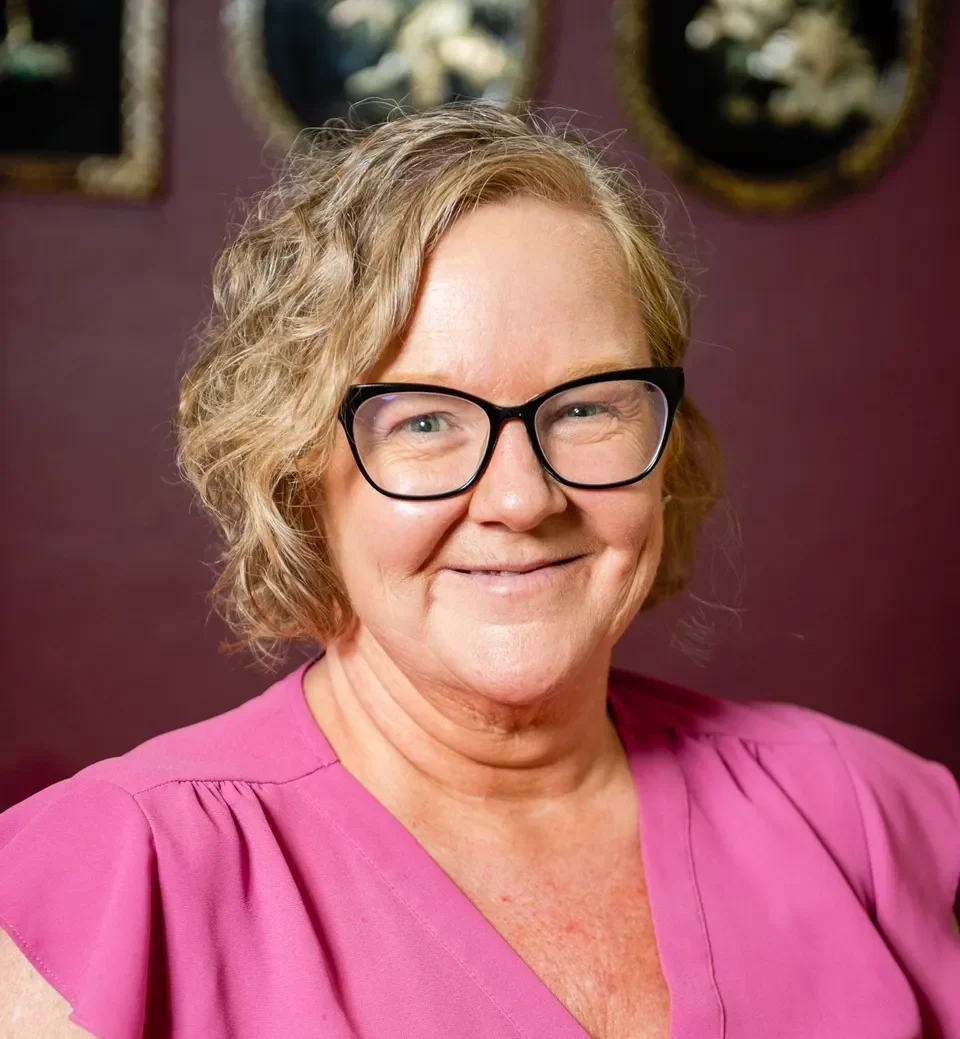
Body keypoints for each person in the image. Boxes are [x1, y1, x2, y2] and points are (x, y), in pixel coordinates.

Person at [1, 103, 958, 1039]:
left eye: (587, 407)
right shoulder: (120, 877)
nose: (523, 497)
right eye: (423, 420)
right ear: (297, 467)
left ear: (667, 443)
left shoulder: (862, 814)